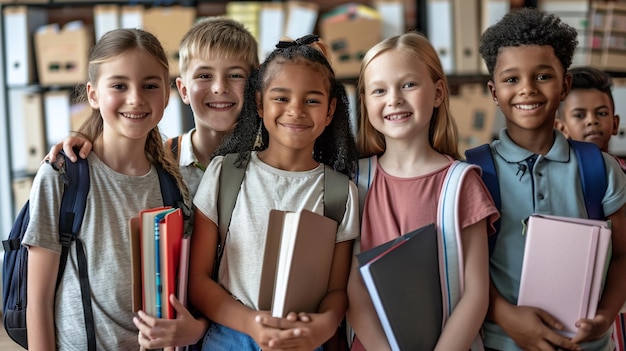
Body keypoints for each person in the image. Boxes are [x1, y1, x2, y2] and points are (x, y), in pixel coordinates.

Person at [44, 18, 259, 349]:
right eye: (204, 75)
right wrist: (83, 136)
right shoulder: (167, 166)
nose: (218, 87)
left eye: (235, 75)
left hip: (235, 330)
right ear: (182, 89)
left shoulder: (267, 167)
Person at [23, 28, 191, 350]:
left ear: (167, 95)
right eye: (119, 85)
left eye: (150, 85)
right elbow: (38, 304)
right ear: (93, 94)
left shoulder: (173, 183)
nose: (136, 98)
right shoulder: (62, 174)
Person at [188, 34, 360, 350]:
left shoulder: (340, 192)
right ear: (259, 102)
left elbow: (337, 290)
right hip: (231, 335)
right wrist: (250, 324)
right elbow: (197, 280)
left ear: (330, 110)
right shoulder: (225, 173)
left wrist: (323, 326)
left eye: (312, 100)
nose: (295, 111)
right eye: (281, 98)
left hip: (303, 340)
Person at [477, 7, 626, 351]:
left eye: (543, 76)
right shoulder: (474, 173)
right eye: (511, 79)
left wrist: (605, 315)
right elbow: (465, 267)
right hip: (503, 343)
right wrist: (505, 316)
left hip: (587, 344)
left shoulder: (600, 169)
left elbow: (621, 257)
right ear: (493, 91)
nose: (527, 90)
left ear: (565, 85)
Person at [345, 31, 499, 351]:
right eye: (379, 90)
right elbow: (354, 288)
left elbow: (475, 293)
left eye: (409, 84)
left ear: (439, 92)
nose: (394, 99)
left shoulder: (461, 183)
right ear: (365, 102)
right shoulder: (353, 182)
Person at [554, 66, 626, 172]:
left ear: (615, 124)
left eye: (602, 113)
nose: (592, 120)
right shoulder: (555, 175)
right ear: (561, 128)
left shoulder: (622, 173)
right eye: (579, 115)